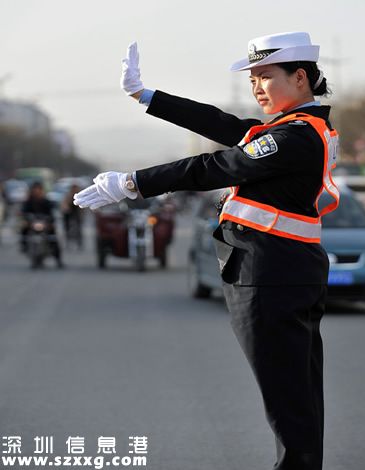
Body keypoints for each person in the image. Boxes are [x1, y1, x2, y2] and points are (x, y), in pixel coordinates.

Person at [74, 32, 339, 470]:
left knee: (288, 399)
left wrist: (132, 183)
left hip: (271, 275)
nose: (257, 86)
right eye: (252, 77)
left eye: (265, 76)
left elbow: (217, 165)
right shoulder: (295, 128)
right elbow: (225, 125)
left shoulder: (294, 137)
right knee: (298, 393)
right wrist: (147, 95)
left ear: (299, 78)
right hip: (285, 271)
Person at [20, 181, 64, 268]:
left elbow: (52, 213)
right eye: (35, 190)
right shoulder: (28, 202)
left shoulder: (47, 201)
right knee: (23, 229)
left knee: (53, 238)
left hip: (45, 224)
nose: (37, 191)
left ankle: (58, 260)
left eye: (38, 190)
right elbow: (23, 212)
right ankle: (24, 245)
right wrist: (25, 220)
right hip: (32, 223)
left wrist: (51, 222)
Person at [61, 184, 83, 249]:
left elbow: (82, 207)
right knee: (67, 227)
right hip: (69, 213)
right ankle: (67, 240)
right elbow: (64, 204)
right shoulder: (68, 195)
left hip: (76, 213)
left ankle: (79, 243)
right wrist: (66, 208)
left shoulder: (80, 196)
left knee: (79, 228)